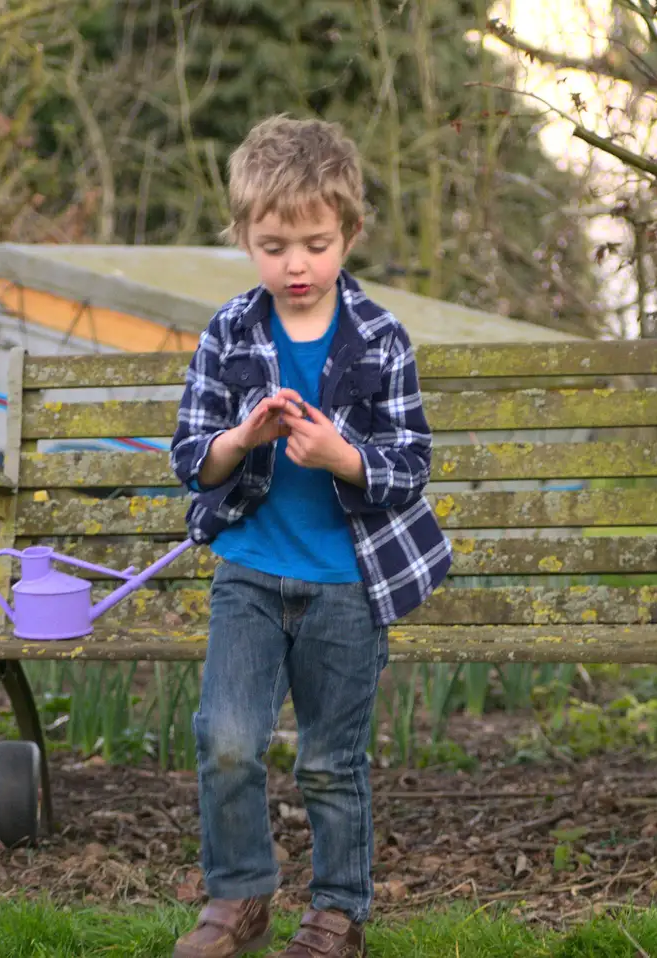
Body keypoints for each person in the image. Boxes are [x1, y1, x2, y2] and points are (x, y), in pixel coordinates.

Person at [167, 114, 451, 958]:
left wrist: (341, 455)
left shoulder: (380, 339)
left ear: (350, 233)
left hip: (346, 584)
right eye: (275, 244)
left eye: (317, 244)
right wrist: (240, 441)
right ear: (245, 239)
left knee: (331, 763)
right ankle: (239, 900)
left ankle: (337, 916)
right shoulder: (228, 333)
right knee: (225, 743)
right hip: (249, 574)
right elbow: (192, 459)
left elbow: (410, 462)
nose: (297, 264)